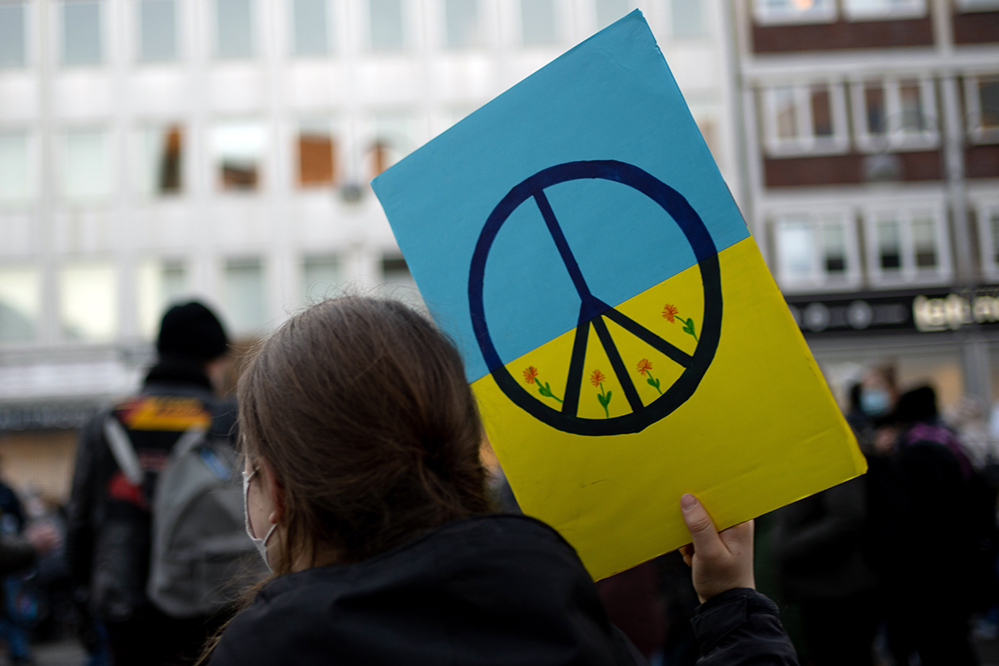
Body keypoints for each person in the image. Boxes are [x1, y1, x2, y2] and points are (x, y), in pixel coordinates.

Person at [205, 296, 797, 666]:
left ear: (279, 490)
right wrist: (731, 606)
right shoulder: (552, 602)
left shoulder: (263, 649)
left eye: (251, 471)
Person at [65, 301, 242, 666]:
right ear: (214, 359)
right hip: (209, 600)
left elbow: (79, 521)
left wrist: (84, 595)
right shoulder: (228, 420)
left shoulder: (109, 422)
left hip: (124, 605)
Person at [866, 385, 988, 665]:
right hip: (955, 563)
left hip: (930, 571)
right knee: (953, 641)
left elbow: (912, 514)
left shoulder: (916, 452)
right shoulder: (949, 441)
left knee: (941, 644)